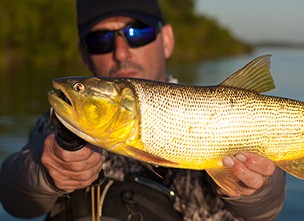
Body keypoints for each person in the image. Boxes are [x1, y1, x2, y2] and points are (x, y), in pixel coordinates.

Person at [0, 0, 286, 220]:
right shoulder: (60, 124)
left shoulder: (219, 109)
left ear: (167, 40)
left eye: (138, 32)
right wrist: (45, 172)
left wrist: (254, 189)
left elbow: (267, 210)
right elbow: (14, 198)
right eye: (100, 40)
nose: (121, 51)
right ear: (85, 55)